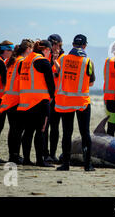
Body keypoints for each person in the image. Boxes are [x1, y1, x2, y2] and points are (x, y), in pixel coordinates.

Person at [55, 34, 95, 171]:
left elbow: (58, 74)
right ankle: (87, 165)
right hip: (82, 102)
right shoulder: (88, 61)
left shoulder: (63, 58)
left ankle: (65, 164)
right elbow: (91, 82)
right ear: (84, 46)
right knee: (85, 133)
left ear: (72, 44)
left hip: (66, 101)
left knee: (67, 133)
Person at [17, 40, 55, 167]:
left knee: (28, 132)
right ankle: (40, 160)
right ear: (46, 50)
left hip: (26, 102)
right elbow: (50, 82)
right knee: (41, 131)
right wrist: (52, 96)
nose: (50, 54)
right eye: (50, 51)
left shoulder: (26, 60)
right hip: (40, 101)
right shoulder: (43, 61)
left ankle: (27, 159)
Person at [0, 39, 34, 164]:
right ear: (28, 49)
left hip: (8, 99)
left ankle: (12, 155)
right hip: (17, 100)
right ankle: (15, 155)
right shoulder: (22, 62)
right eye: (31, 49)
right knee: (18, 130)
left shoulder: (11, 61)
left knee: (13, 129)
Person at [43, 34, 65, 163]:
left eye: (59, 45)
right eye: (55, 45)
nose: (57, 47)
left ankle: (52, 154)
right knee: (45, 127)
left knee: (55, 127)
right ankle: (45, 154)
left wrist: (56, 60)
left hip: (57, 97)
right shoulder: (45, 57)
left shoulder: (63, 57)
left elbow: (61, 73)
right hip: (46, 97)